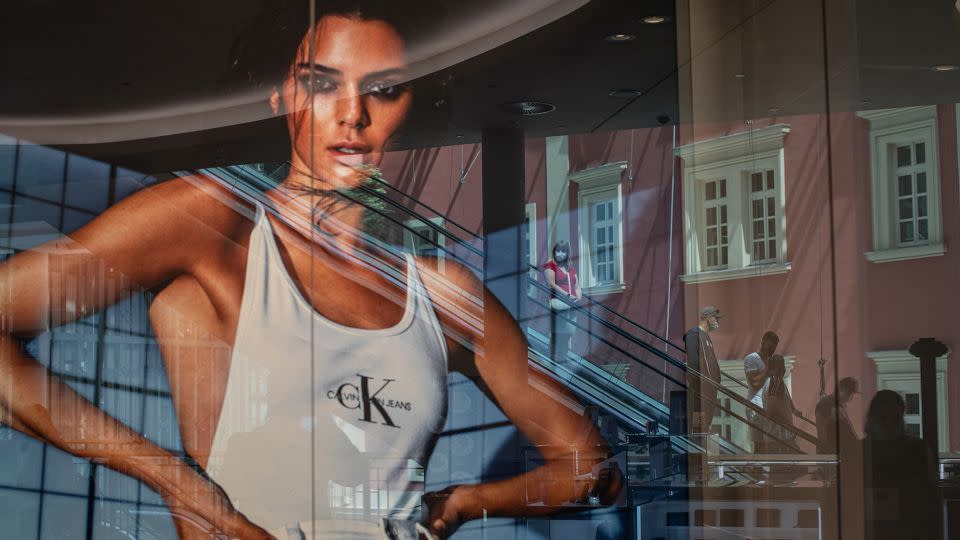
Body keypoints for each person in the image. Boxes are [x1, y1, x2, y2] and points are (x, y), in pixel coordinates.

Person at [0, 3, 619, 539]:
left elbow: (589, 468)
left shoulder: (442, 293)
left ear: (411, 107)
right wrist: (170, 478)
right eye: (323, 84)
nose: (353, 115)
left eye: (383, 89)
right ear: (280, 96)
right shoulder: (215, 223)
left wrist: (460, 503)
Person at [862, 390, 939, 540]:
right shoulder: (919, 448)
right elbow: (931, 487)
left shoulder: (860, 451)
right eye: (884, 419)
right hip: (905, 527)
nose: (890, 424)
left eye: (895, 418)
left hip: (893, 527)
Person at [542, 240, 581, 375]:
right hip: (558, 304)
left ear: (567, 253)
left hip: (571, 306)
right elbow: (551, 284)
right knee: (557, 335)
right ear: (554, 251)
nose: (560, 254)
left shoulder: (569, 267)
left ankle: (562, 363)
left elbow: (577, 284)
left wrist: (578, 296)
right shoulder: (550, 264)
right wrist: (567, 295)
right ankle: (552, 366)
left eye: (563, 251)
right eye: (558, 250)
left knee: (567, 334)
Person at [682, 306, 722, 434]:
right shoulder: (693, 334)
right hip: (701, 388)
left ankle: (703, 438)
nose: (717, 321)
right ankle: (698, 444)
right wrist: (700, 383)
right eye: (716, 318)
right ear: (709, 318)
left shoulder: (706, 336)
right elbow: (693, 362)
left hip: (709, 387)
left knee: (706, 422)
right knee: (699, 425)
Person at [743, 331, 780, 452]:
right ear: (763, 342)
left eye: (775, 346)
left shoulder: (770, 360)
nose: (772, 348)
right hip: (756, 405)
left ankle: (763, 469)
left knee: (769, 444)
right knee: (760, 445)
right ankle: (757, 470)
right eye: (770, 344)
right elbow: (754, 382)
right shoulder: (751, 358)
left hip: (768, 408)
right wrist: (768, 370)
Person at [815, 377, 860, 455]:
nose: (851, 396)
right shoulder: (826, 404)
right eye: (849, 393)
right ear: (841, 389)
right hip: (835, 454)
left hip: (844, 452)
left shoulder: (838, 405)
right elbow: (822, 432)